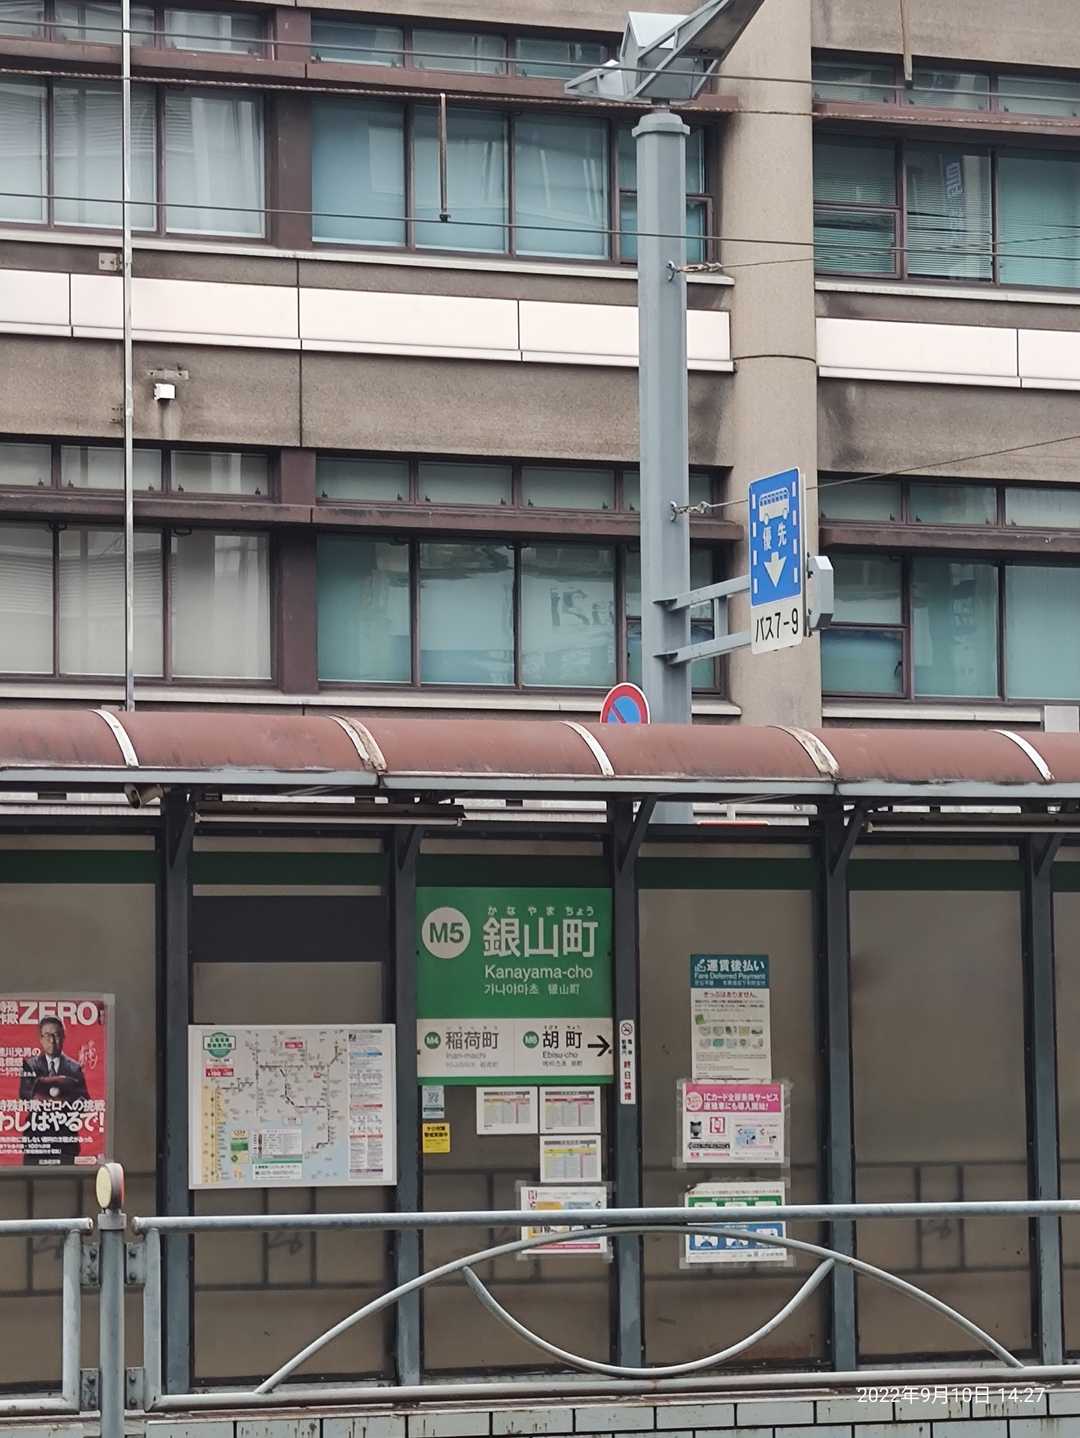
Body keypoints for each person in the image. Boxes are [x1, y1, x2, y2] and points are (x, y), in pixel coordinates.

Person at [18, 1017, 90, 1166]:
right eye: (47, 1035)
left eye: (56, 1035)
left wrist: (72, 1104)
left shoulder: (74, 1067)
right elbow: (25, 1095)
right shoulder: (30, 1065)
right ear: (40, 1039)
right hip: (37, 1139)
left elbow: (84, 1099)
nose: (52, 1040)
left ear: (63, 1037)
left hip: (65, 1138)